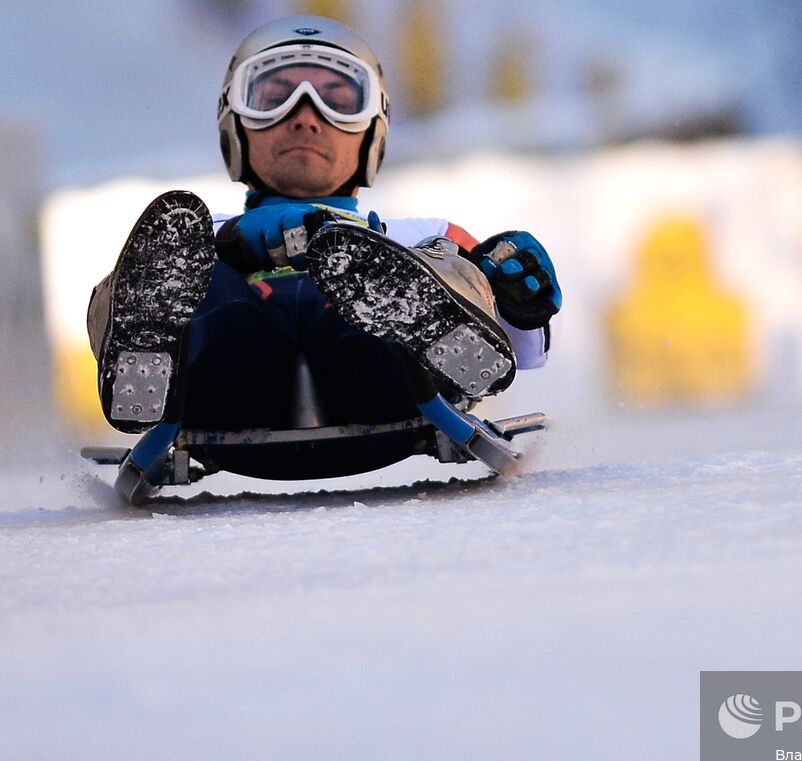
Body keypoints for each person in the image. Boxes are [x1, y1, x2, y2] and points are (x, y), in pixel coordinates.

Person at [87, 15, 561, 481]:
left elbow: (524, 351)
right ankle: (147, 354)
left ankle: (422, 315)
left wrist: (519, 295)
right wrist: (234, 243)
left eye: (336, 100)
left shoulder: (421, 232)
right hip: (226, 389)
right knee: (187, 279)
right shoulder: (189, 239)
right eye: (274, 98)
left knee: (434, 262)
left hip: (382, 383)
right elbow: (168, 263)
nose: (305, 119)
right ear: (235, 124)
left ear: (372, 130)